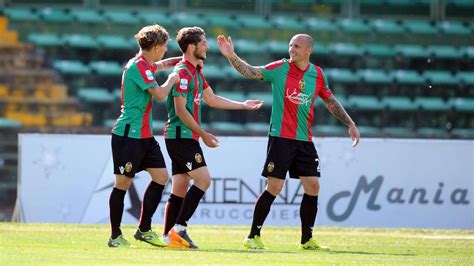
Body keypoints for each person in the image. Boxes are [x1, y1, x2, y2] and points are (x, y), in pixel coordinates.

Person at [217, 33, 360, 250]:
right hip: (281, 137)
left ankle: (307, 240)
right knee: (274, 186)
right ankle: (252, 236)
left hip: (304, 140)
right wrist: (231, 56)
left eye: (297, 46)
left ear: (308, 51)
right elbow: (252, 72)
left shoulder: (317, 74)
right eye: (291, 45)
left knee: (313, 185)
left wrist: (350, 123)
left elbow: (330, 100)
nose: (292, 49)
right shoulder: (280, 68)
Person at [162, 26, 263, 249]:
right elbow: (180, 111)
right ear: (191, 47)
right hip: (181, 136)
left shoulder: (196, 71)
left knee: (180, 185)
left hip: (186, 136)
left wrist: (243, 106)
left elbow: (212, 98)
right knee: (204, 180)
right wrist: (203, 134)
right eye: (204, 43)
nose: (207, 46)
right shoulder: (182, 73)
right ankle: (179, 229)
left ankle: (167, 236)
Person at [108, 24, 181, 248]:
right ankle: (115, 236)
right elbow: (159, 94)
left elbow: (160, 65)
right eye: (165, 47)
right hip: (129, 135)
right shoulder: (137, 66)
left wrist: (184, 59)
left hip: (145, 136)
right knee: (122, 183)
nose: (166, 51)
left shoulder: (145, 64)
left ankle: (144, 230)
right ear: (157, 46)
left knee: (161, 177)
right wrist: (173, 79)